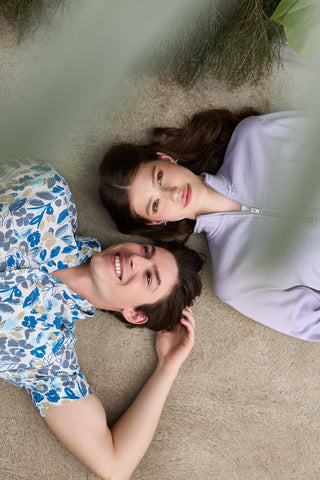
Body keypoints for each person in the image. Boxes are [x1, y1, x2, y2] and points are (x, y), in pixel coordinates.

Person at [0, 159, 203, 480]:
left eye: (149, 278)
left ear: (135, 314)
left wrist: (167, 369)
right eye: (146, 252)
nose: (135, 258)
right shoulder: (47, 194)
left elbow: (115, 464)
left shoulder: (49, 359)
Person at [99, 109, 320, 342]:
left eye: (159, 177)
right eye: (155, 204)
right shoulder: (235, 279)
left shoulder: (255, 136)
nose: (172, 193)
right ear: (156, 220)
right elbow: (311, 324)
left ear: (165, 159)